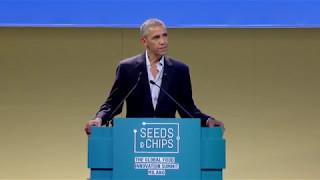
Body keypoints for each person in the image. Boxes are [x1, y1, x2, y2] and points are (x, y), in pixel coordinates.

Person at [85, 18, 224, 135]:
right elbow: (113, 104)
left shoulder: (179, 70)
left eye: (165, 35)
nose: (163, 41)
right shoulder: (128, 68)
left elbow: (187, 109)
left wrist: (207, 121)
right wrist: (99, 119)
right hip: (135, 137)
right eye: (156, 37)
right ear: (144, 42)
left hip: (167, 139)